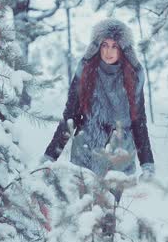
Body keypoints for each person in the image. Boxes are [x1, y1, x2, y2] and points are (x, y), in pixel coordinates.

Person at [43, 18, 155, 182]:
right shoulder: (86, 72)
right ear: (97, 46)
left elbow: (138, 122)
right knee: (83, 206)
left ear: (122, 49)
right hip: (85, 155)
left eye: (114, 46)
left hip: (119, 159)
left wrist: (147, 164)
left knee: (113, 208)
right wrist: (50, 157)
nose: (108, 51)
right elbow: (70, 118)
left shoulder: (133, 77)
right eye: (104, 45)